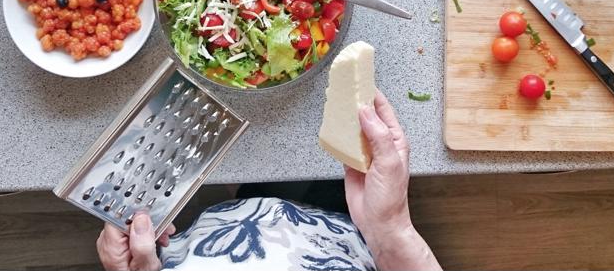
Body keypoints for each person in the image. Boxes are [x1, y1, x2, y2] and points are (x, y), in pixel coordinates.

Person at [97, 90, 443, 271]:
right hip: (350, 241)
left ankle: (249, 197)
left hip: (210, 236)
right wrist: (390, 231)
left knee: (258, 190)